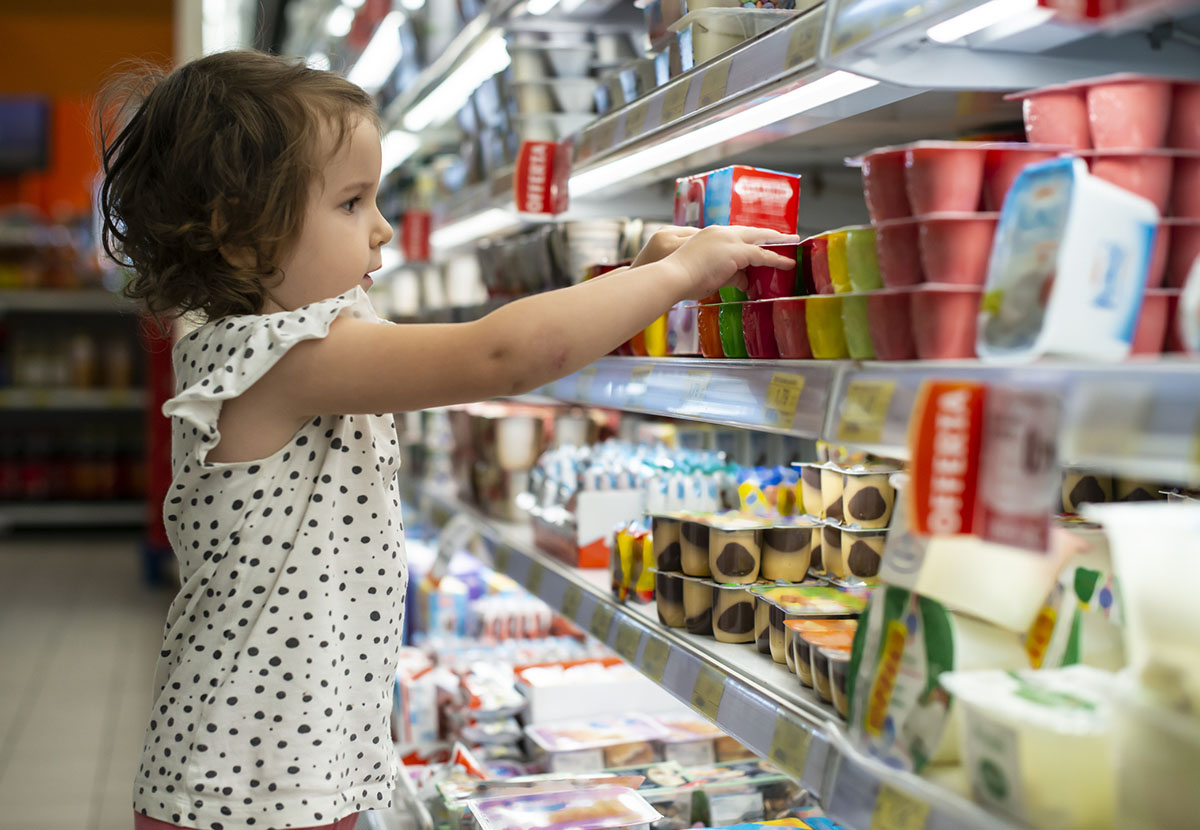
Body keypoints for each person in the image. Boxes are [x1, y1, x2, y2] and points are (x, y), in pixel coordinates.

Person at [98, 49, 794, 830]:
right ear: (236, 235)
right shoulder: (274, 359)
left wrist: (628, 276)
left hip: (290, 770)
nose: (383, 228)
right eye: (353, 203)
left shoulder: (295, 349)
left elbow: (492, 341)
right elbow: (497, 353)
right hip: (249, 789)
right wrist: (671, 279)